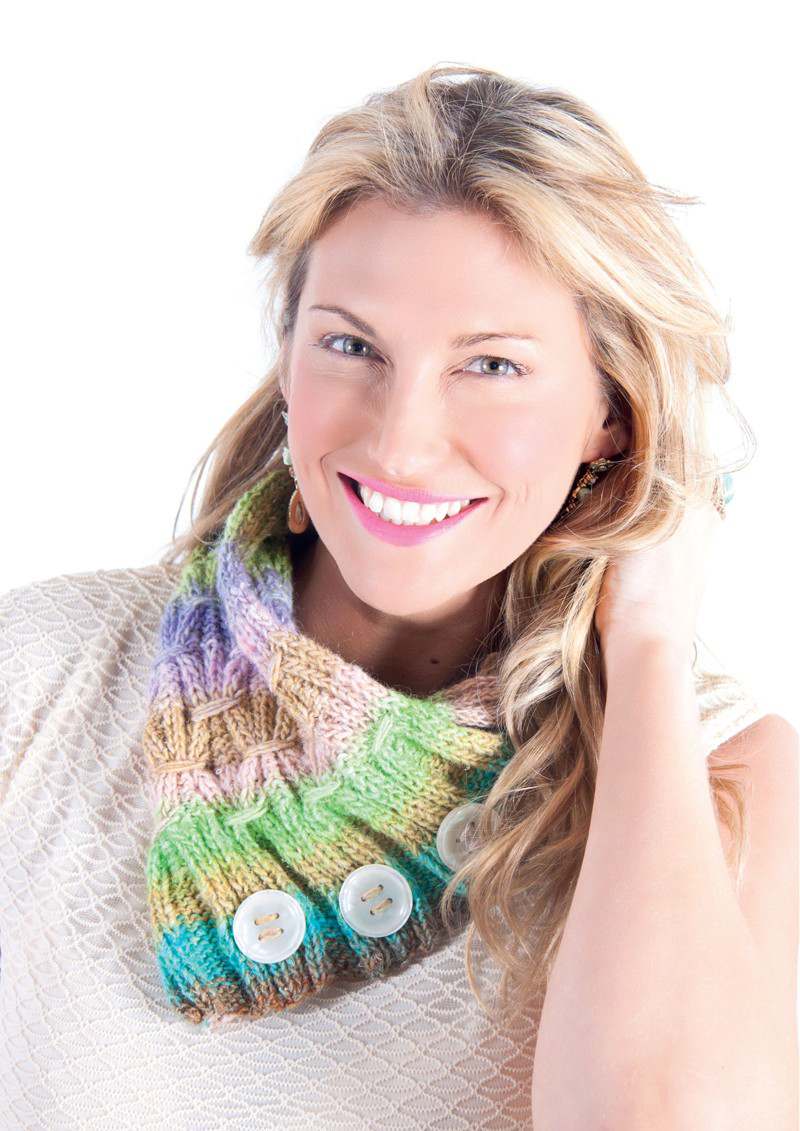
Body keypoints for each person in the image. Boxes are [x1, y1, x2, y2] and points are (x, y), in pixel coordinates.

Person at [1, 62, 796, 1130]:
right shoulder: (44, 673)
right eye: (351, 345)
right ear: (288, 358)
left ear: (611, 415)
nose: (400, 442)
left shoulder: (719, 770)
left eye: (492, 365)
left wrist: (647, 640)